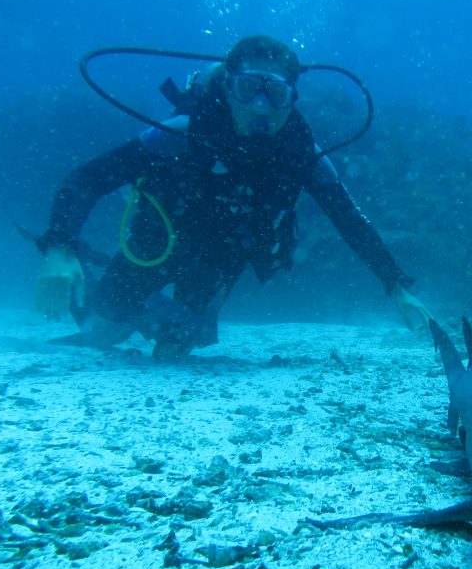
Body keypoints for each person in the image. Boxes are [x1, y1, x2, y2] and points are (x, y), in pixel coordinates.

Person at [34, 35, 429, 360]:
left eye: (276, 93)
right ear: (227, 85)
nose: (261, 106)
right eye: (248, 88)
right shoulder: (181, 133)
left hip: (219, 261)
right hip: (155, 243)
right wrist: (60, 248)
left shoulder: (302, 153)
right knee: (101, 334)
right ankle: (92, 275)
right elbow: (85, 180)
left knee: (178, 346)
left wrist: (396, 285)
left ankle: (157, 313)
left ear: (292, 97)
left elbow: (350, 220)